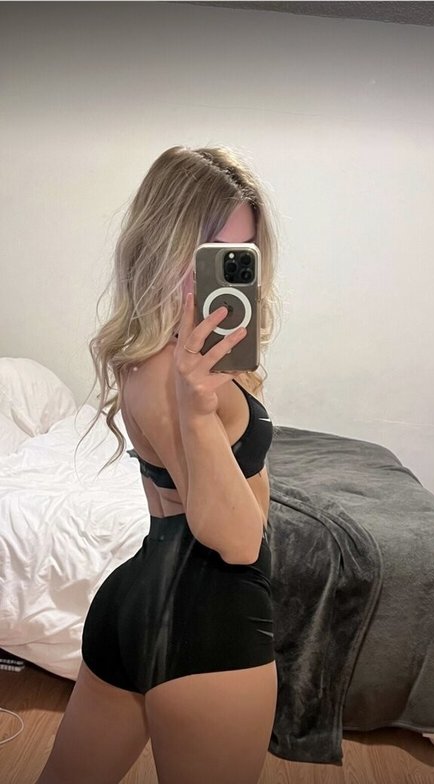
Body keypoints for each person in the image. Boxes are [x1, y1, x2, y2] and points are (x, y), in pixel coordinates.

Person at [36, 144, 282, 784]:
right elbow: (239, 540)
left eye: (240, 253)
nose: (222, 272)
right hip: (212, 624)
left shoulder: (171, 355)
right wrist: (198, 412)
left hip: (135, 601)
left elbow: (238, 492)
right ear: (162, 244)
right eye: (206, 251)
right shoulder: (164, 373)